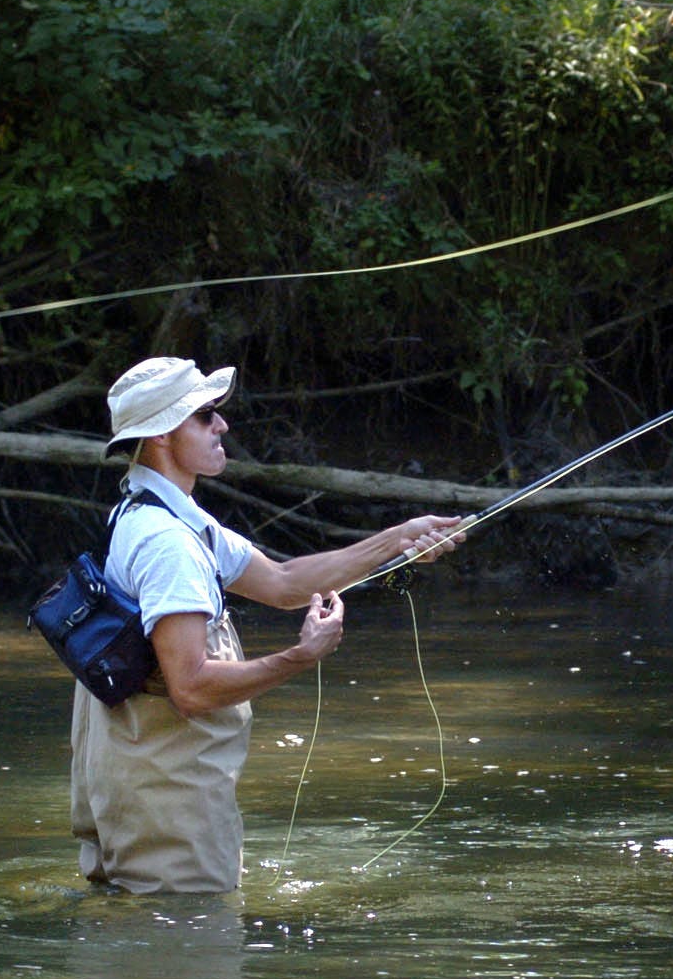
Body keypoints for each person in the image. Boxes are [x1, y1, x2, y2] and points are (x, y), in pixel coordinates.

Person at [70, 356, 464, 893]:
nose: (222, 426)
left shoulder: (153, 512)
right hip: (167, 802)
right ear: (162, 435)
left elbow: (281, 582)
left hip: (136, 786)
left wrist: (397, 540)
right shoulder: (168, 544)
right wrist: (300, 656)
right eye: (205, 415)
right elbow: (189, 688)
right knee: (192, 959)